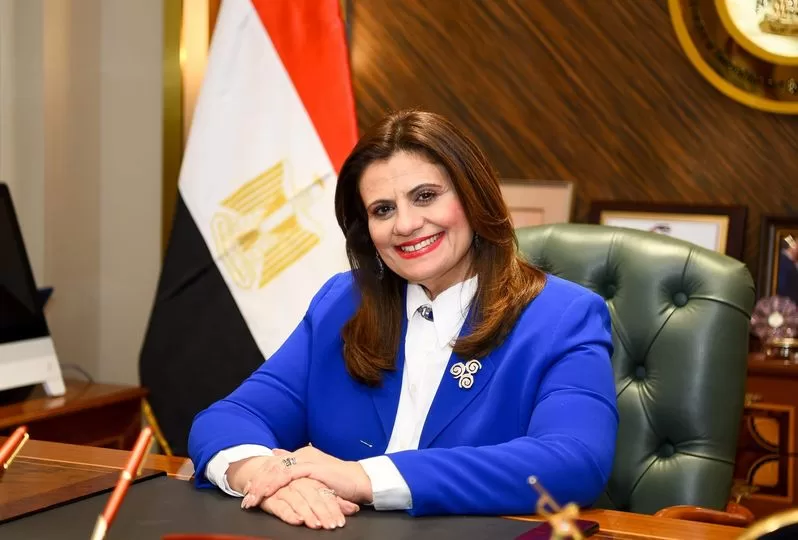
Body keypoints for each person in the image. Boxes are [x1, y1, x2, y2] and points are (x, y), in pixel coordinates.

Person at [187, 109, 618, 530]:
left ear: (473, 196)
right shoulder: (343, 302)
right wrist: (266, 476)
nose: (406, 224)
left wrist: (364, 478)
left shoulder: (563, 316)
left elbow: (575, 461)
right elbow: (226, 418)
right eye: (382, 210)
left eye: (425, 196)